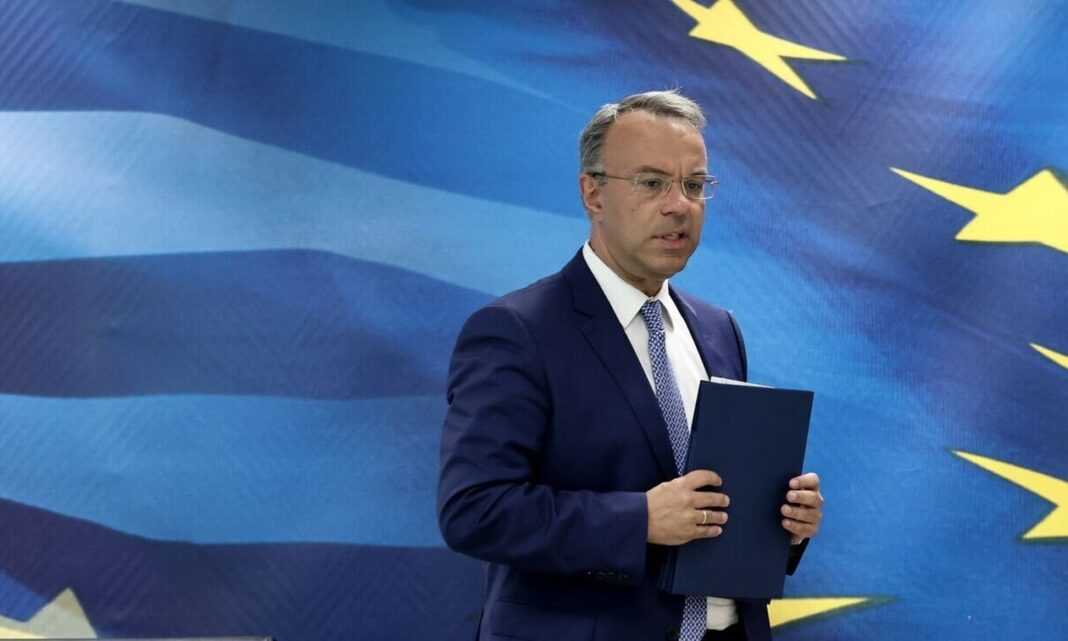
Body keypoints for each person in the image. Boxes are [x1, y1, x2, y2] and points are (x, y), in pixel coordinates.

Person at [437, 90, 824, 641]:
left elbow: (714, 503)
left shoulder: (719, 329)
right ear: (592, 193)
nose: (679, 205)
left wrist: (783, 523)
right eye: (652, 183)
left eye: (695, 185)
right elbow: (474, 510)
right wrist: (639, 520)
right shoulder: (517, 331)